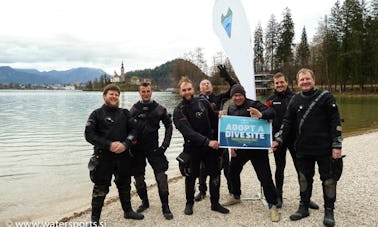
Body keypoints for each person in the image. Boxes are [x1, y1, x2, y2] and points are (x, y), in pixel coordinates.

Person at [272, 68, 343, 227]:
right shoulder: (295, 100)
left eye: (307, 79)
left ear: (313, 80)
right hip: (303, 149)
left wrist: (337, 145)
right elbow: (287, 123)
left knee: (329, 181)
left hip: (324, 148)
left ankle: (329, 210)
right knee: (304, 179)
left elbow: (335, 122)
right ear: (297, 83)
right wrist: (278, 139)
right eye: (302, 80)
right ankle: (303, 207)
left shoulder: (326, 97)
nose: (305, 82)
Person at [84, 84, 144, 226]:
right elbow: (89, 135)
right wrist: (109, 145)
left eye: (116, 95)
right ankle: (94, 220)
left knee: (125, 185)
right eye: (111, 94)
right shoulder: (96, 114)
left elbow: (134, 130)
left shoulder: (124, 113)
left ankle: (128, 211)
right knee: (100, 188)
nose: (114, 97)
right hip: (103, 157)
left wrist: (125, 144)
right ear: (104, 96)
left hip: (123, 156)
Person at [221, 84, 280, 222]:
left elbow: (272, 113)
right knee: (232, 172)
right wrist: (231, 146)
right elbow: (230, 128)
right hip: (240, 149)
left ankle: (273, 205)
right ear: (232, 97)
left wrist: (261, 114)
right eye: (235, 95)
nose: (237, 97)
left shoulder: (254, 104)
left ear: (244, 94)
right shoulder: (231, 108)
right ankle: (235, 195)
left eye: (240, 95)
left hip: (257, 149)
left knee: (265, 177)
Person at [173, 76, 229, 215]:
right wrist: (208, 141)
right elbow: (188, 132)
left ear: (193, 89)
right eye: (184, 90)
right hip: (192, 147)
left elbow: (213, 118)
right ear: (180, 92)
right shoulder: (178, 110)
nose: (187, 92)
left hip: (210, 148)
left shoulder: (203, 101)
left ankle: (215, 203)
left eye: (189, 89)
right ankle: (189, 203)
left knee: (215, 174)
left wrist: (220, 115)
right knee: (191, 177)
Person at [266, 72, 319, 210]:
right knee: (279, 168)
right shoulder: (270, 100)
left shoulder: (296, 97)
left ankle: (305, 198)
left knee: (301, 169)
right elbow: (264, 118)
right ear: (274, 84)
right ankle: (278, 196)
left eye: (281, 82)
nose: (279, 85)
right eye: (277, 83)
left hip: (296, 140)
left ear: (287, 82)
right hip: (279, 139)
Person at [129, 82, 174, 220]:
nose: (146, 94)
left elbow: (169, 126)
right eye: (143, 91)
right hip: (137, 149)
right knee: (138, 178)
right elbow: (128, 126)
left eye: (148, 91)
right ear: (139, 92)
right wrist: (130, 142)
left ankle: (165, 206)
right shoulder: (134, 109)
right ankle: (145, 201)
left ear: (151, 91)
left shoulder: (159, 109)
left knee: (161, 176)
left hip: (154, 148)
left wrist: (165, 146)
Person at [195, 65, 236, 201]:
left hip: (219, 136)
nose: (206, 85)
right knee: (202, 168)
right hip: (204, 138)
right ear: (200, 88)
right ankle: (202, 191)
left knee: (226, 166)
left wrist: (227, 77)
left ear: (211, 87)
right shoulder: (196, 101)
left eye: (208, 83)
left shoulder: (218, 98)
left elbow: (234, 88)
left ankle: (232, 190)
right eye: (203, 84)